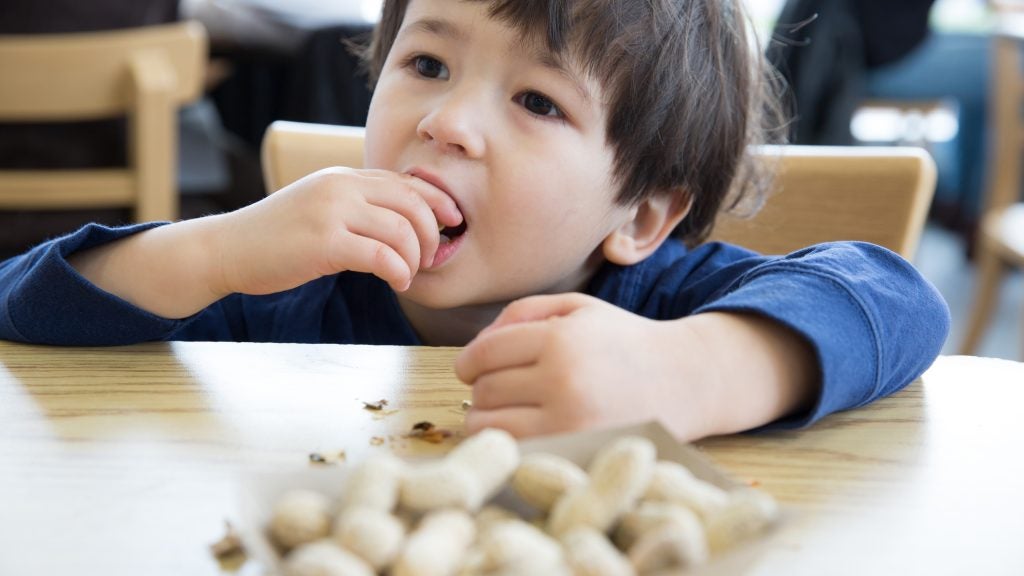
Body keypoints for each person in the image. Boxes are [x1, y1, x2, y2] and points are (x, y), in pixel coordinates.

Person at [0, 0, 950, 442]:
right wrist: (216, 248)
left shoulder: (661, 309)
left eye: (538, 102)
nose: (446, 121)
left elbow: (897, 298)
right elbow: (21, 307)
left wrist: (692, 372)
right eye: (427, 65)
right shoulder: (284, 289)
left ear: (639, 215)